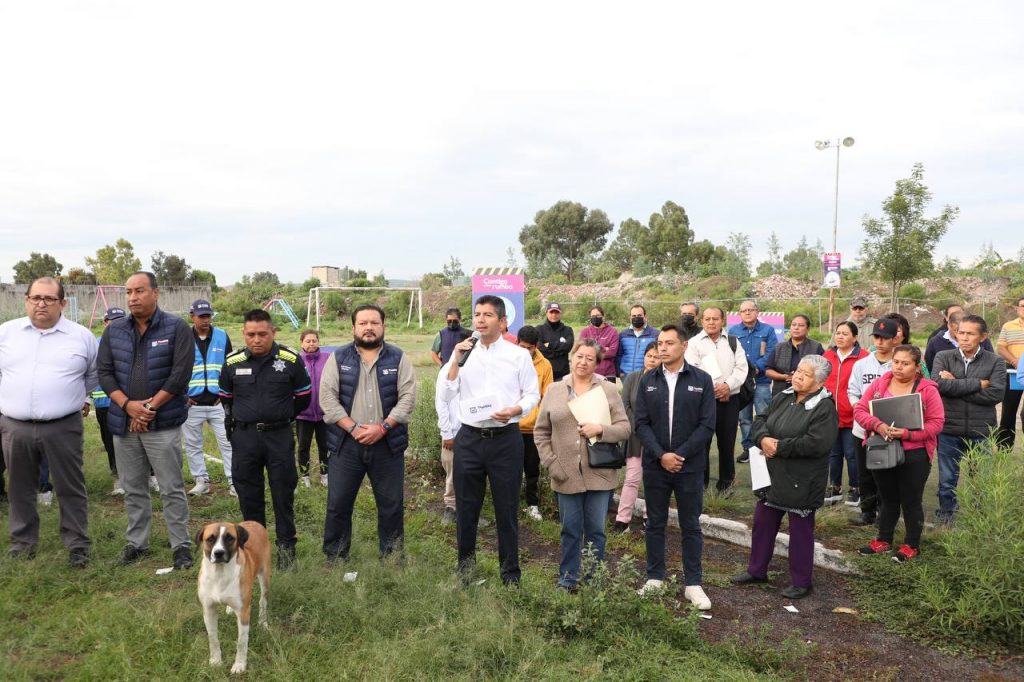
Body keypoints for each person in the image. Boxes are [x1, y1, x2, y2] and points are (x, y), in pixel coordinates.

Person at [98, 271, 194, 569]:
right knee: (133, 487)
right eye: (128, 292)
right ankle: (137, 543)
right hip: (123, 423)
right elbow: (104, 373)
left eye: (139, 291)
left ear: (156, 293)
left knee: (171, 486)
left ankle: (181, 545)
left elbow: (179, 375)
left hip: (162, 423)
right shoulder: (114, 331)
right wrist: (128, 406)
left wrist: (148, 408)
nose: (132, 298)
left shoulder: (177, 328)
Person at [441, 295, 540, 586]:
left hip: (505, 440)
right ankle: (465, 569)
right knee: (466, 508)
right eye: (477, 314)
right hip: (470, 439)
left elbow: (532, 394)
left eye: (487, 315)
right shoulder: (463, 352)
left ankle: (510, 574)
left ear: (502, 321)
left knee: (506, 509)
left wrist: (516, 410)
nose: (480, 320)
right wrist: (456, 362)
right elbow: (447, 394)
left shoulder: (517, 355)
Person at [0, 277, 98, 567]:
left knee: (70, 486)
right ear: (27, 300)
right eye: (35, 298)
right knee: (19, 486)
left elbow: (92, 376)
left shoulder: (81, 337)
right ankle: (23, 541)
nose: (41, 304)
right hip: (14, 425)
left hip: (63, 425)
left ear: (63, 303)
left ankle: (77, 544)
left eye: (49, 299)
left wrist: (71, 397)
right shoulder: (6, 333)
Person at [730, 355, 838, 599]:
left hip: (802, 478)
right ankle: (756, 571)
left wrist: (779, 447)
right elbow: (760, 420)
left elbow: (816, 444)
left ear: (819, 381)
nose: (798, 376)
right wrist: (763, 439)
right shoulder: (784, 395)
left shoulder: (824, 406)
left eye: (806, 374)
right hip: (773, 474)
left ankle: (802, 581)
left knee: (800, 532)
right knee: (762, 524)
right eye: (798, 370)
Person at [320, 304, 416, 563]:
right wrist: (351, 426)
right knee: (338, 504)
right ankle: (336, 557)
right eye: (363, 323)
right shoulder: (338, 357)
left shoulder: (398, 358)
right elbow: (327, 398)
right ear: (353, 328)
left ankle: (392, 556)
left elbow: (408, 398)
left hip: (387, 444)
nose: (369, 327)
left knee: (392, 505)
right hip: (346, 444)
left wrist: (383, 427)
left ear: (383, 326)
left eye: (374, 322)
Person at [533, 339, 631, 590]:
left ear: (598, 363)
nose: (583, 362)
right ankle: (568, 578)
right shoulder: (555, 390)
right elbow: (541, 432)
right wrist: (551, 464)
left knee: (596, 531)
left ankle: (593, 579)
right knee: (570, 530)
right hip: (564, 473)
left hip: (599, 474)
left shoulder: (607, 390)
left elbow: (625, 429)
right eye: (579, 356)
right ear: (571, 357)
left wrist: (600, 429)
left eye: (589, 358)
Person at [219, 309, 312, 570]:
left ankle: (286, 549)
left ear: (273, 332)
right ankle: (253, 548)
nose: (256, 339)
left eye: (262, 334)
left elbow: (303, 397)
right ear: (244, 334)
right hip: (245, 436)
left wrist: (280, 416)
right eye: (251, 334)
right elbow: (226, 397)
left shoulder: (290, 359)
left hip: (279, 436)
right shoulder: (232, 362)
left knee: (283, 492)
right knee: (249, 494)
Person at [634, 325, 716, 609]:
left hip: (689, 467)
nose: (662, 348)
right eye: (659, 343)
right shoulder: (648, 381)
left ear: (683, 346)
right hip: (656, 467)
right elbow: (641, 424)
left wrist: (678, 455)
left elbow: (707, 425)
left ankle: (693, 583)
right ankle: (655, 577)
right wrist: (661, 455)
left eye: (669, 343)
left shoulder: (702, 380)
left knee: (690, 525)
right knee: (655, 523)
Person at [855, 346, 944, 561]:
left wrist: (907, 434)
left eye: (905, 363)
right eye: (896, 362)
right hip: (882, 450)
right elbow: (859, 410)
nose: (899, 367)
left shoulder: (927, 389)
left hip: (915, 454)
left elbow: (937, 423)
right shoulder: (879, 384)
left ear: (917, 367)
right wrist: (878, 425)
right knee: (887, 498)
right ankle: (884, 540)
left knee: (911, 500)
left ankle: (911, 544)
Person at [932, 314, 1006, 523]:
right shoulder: (944, 357)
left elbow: (996, 395)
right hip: (949, 429)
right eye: (960, 332)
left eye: (970, 334)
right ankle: (947, 516)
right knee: (947, 480)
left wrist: (956, 383)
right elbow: (938, 386)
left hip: (981, 430)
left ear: (983, 337)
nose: (963, 338)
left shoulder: (995, 362)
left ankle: (978, 517)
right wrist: (978, 383)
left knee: (980, 479)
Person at [684, 306, 748, 492]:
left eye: (715, 319)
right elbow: (693, 368)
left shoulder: (733, 342)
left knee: (727, 444)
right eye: (707, 319)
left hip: (729, 399)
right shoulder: (694, 343)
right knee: (701, 443)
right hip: (703, 401)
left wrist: (727, 386)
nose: (711, 322)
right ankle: (701, 483)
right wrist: (712, 389)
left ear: (723, 321)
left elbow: (741, 368)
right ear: (702, 321)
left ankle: (726, 483)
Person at [847, 319, 898, 527]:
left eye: (885, 338)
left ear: (895, 339)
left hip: (890, 429)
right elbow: (853, 392)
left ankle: (884, 514)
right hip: (863, 429)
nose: (880, 341)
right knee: (865, 473)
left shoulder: (898, 364)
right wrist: (861, 412)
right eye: (877, 337)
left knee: (886, 474)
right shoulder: (862, 363)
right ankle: (867, 512)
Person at [183, 299, 234, 497]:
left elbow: (230, 366)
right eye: (201, 316)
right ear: (192, 316)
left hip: (217, 402)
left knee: (228, 442)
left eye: (208, 316)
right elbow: (175, 367)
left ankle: (233, 482)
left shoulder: (221, 336)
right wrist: (182, 395)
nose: (205, 320)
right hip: (191, 404)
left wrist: (225, 394)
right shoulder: (183, 337)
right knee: (193, 445)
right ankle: (201, 481)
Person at [612, 342, 660, 533]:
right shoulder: (632, 378)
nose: (652, 359)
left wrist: (652, 431)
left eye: (656, 357)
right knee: (631, 478)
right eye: (649, 355)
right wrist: (640, 428)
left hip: (657, 439)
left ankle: (651, 517)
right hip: (635, 436)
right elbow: (625, 406)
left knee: (653, 479)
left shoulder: (665, 380)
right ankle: (622, 520)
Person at [822, 322, 869, 506]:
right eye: (838, 333)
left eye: (845, 334)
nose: (840, 336)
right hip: (831, 416)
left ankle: (856, 488)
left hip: (853, 415)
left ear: (855, 338)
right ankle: (835, 487)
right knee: (833, 454)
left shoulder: (864, 357)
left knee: (852, 454)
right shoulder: (827, 356)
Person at [730, 300, 777, 464]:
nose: (748, 313)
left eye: (751, 310)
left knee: (764, 415)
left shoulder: (768, 330)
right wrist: (743, 372)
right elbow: (731, 353)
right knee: (744, 418)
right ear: (739, 314)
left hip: (762, 380)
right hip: (741, 383)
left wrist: (756, 368)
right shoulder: (733, 331)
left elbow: (771, 352)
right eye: (744, 311)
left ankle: (765, 446)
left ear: (758, 312)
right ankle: (748, 448)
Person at [516, 325, 553, 522]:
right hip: (511, 427)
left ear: (536, 346)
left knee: (532, 469)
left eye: (529, 348)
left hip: (532, 428)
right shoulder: (508, 361)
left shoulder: (545, 365)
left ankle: (532, 505)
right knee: (510, 469)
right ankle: (510, 503)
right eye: (522, 347)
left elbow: (547, 397)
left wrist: (541, 422)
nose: (525, 351)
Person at [92, 306, 127, 495]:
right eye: (113, 320)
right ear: (105, 322)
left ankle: (150, 475)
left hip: (127, 403)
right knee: (110, 441)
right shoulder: (95, 344)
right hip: (104, 403)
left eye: (121, 319)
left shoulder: (132, 341)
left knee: (135, 440)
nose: (117, 323)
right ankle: (118, 478)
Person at [296, 329, 330, 488]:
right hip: (303, 414)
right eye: (308, 341)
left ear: (318, 342)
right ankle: (305, 477)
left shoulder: (328, 358)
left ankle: (325, 475)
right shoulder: (296, 360)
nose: (311, 343)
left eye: (314, 340)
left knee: (325, 446)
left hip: (324, 414)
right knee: (303, 447)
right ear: (302, 343)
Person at [765, 314, 824, 396]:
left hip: (807, 393)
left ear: (808, 329)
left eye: (801, 325)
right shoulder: (779, 347)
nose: (796, 328)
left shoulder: (816, 347)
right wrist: (784, 377)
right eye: (794, 325)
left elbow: (822, 371)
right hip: (781, 393)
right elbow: (768, 370)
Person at [434, 364, 461, 525]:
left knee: (472, 474)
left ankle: (468, 511)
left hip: (474, 433)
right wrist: (447, 433)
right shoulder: (448, 370)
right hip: (453, 432)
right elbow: (441, 403)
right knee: (452, 471)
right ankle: (450, 508)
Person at [996, 297, 1024, 448]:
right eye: (1022, 306)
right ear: (1017, 308)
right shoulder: (1008, 326)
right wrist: (1014, 361)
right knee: (1008, 410)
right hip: (1013, 371)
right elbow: (1001, 348)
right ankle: (1004, 447)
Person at [615, 304, 658, 378]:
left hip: (646, 376)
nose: (636, 318)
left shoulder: (655, 334)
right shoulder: (623, 335)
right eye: (633, 316)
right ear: (630, 318)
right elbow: (619, 355)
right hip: (626, 376)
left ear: (645, 317)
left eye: (639, 315)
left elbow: (658, 357)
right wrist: (619, 372)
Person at [578, 305, 619, 381]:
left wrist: (592, 351)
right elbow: (582, 351)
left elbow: (612, 352)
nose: (595, 318)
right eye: (593, 316)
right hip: (589, 373)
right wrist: (605, 348)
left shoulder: (613, 332)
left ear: (603, 316)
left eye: (598, 315)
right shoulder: (585, 332)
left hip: (608, 374)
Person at [538, 302, 574, 381]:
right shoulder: (539, 329)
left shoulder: (568, 330)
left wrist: (549, 345)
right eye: (551, 312)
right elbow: (540, 348)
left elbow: (567, 347)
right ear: (547, 313)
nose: (554, 315)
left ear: (560, 314)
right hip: (544, 373)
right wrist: (559, 352)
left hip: (562, 374)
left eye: (556, 312)